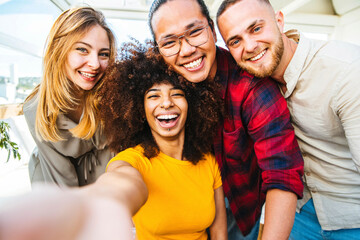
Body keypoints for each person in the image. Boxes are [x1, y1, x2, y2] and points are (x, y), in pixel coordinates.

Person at [0, 42, 226, 240]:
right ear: (138, 109)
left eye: (177, 94)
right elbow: (121, 183)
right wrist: (94, 204)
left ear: (194, 104)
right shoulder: (132, 160)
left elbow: (218, 233)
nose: (166, 103)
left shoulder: (208, 161)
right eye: (153, 96)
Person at [148, 0, 304, 239]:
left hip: (241, 208)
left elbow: (281, 174)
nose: (187, 49)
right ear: (158, 49)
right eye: (169, 42)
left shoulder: (251, 88)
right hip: (181, 211)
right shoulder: (154, 87)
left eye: (195, 32)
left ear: (212, 30)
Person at [216, 0, 360, 239]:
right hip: (299, 213)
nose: (250, 46)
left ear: (279, 21)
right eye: (235, 41)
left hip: (352, 217)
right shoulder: (251, 82)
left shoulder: (346, 72)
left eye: (256, 28)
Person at [23, 6, 117, 186]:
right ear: (59, 51)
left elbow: (114, 156)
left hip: (103, 173)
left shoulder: (112, 96)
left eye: (103, 54)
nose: (95, 64)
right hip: (52, 176)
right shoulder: (36, 108)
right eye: (82, 49)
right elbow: (61, 180)